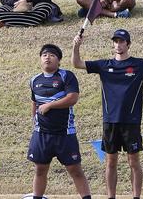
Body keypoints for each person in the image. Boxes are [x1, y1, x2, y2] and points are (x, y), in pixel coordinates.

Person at [72, 29, 143, 199]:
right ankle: (111, 197)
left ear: (128, 44)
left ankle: (136, 197)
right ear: (113, 44)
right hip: (110, 121)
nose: (119, 45)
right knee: (110, 162)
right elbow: (77, 63)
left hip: (131, 122)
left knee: (134, 162)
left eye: (122, 41)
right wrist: (76, 46)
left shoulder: (140, 65)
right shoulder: (104, 65)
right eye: (116, 41)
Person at [28, 44, 91, 199]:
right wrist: (33, 121)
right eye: (44, 55)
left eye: (52, 55)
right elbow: (34, 103)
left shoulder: (66, 76)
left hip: (64, 133)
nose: (47, 57)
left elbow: (72, 98)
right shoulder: (34, 80)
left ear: (59, 60)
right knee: (40, 169)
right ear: (40, 59)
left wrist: (50, 105)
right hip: (41, 134)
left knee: (75, 169)